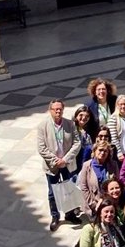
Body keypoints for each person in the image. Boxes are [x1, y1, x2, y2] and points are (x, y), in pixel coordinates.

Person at [37, 99, 82, 232]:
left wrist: (66, 159)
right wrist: (55, 160)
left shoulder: (70, 124)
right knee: (52, 192)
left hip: (67, 164)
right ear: (50, 110)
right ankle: (55, 216)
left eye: (60, 109)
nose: (58, 111)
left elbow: (77, 143)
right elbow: (41, 148)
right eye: (55, 109)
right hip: (52, 166)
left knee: (69, 189)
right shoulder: (43, 126)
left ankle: (69, 214)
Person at [78, 142, 120, 218]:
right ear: (94, 151)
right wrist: (93, 204)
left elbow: (117, 183)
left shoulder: (113, 165)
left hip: (109, 205)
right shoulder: (87, 165)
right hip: (92, 205)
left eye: (105, 151)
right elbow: (84, 187)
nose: (102, 153)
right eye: (100, 150)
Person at [108, 95, 125, 163]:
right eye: (121, 104)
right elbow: (114, 138)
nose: (123, 106)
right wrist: (119, 152)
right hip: (121, 154)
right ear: (117, 105)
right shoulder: (113, 118)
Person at [73, 105, 95, 169]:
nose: (84, 118)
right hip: (74, 162)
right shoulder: (71, 128)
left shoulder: (89, 130)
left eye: (87, 116)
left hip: (85, 161)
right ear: (76, 115)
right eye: (81, 115)